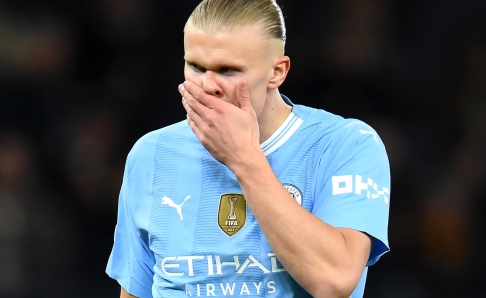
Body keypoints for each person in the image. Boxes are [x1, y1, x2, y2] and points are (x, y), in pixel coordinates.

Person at [106, 0, 390, 297]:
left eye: (227, 70)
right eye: (196, 67)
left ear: (277, 72)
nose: (208, 85)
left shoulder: (344, 145)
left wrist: (243, 158)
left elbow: (335, 281)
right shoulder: (152, 154)